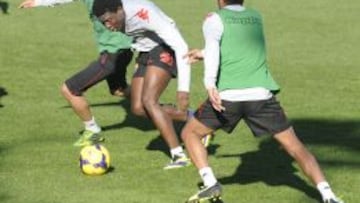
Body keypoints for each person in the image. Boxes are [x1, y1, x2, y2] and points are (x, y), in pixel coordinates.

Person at [181, 0, 344, 202]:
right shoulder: (256, 17)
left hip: (227, 98)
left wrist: (209, 84)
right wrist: (203, 54)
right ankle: (328, 195)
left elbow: (215, 51)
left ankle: (210, 183)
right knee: (295, 147)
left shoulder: (213, 19)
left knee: (190, 133)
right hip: (261, 97)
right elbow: (239, 48)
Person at [91, 0, 213, 169]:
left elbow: (180, 45)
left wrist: (183, 89)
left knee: (150, 101)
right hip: (145, 52)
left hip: (164, 48)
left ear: (119, 9)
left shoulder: (142, 11)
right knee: (138, 108)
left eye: (109, 19)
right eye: (103, 22)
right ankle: (197, 119)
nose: (108, 25)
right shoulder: (119, 15)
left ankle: (178, 155)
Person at [19, 0, 134, 147]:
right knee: (119, 90)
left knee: (70, 89)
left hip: (113, 52)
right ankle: (155, 106)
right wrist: (39, 2)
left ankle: (92, 131)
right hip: (124, 50)